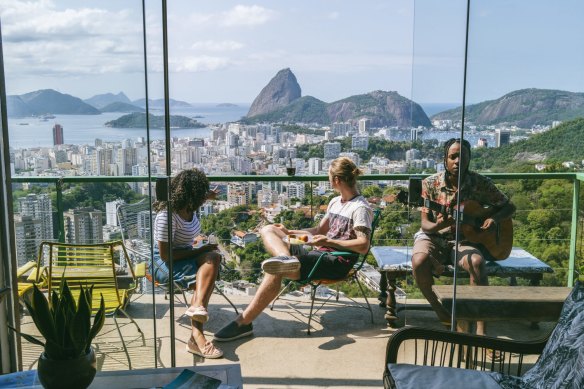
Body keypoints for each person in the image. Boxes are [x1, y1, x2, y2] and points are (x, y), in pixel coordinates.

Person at [213, 156, 373, 341]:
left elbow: (363, 245)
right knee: (269, 229)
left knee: (276, 270)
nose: (328, 181)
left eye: (329, 177)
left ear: (336, 180)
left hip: (335, 261)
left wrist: (329, 243)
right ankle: (284, 258)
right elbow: (318, 231)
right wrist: (289, 232)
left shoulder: (360, 208)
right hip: (318, 252)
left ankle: (243, 322)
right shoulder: (335, 202)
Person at [411, 138, 516, 335]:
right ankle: (441, 312)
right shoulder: (430, 184)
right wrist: (441, 224)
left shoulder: (480, 183)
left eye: (463, 156)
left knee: (476, 262)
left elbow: (509, 207)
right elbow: (425, 225)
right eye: (453, 157)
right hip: (434, 235)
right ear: (445, 159)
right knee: (419, 261)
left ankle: (481, 329)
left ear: (469, 159)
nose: (458, 161)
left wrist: (493, 219)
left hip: (463, 240)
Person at [152, 169, 223, 358]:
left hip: (186, 254)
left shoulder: (189, 205)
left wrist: (209, 196)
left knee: (214, 258)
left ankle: (196, 307)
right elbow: (166, 256)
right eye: (200, 193)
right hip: (164, 263)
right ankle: (197, 336)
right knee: (202, 281)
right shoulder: (167, 216)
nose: (203, 198)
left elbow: (202, 196)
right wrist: (201, 250)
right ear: (190, 194)